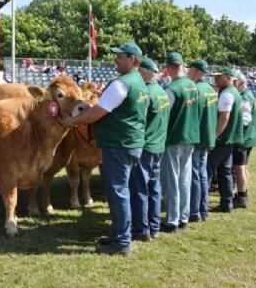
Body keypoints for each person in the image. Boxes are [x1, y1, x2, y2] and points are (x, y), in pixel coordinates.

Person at [63, 42, 148, 255]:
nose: (115, 59)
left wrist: (73, 122)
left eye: (120, 56)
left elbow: (98, 112)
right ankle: (121, 234)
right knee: (123, 191)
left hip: (118, 145)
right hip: (131, 143)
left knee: (118, 192)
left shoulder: (121, 84)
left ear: (133, 60)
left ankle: (121, 242)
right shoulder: (139, 82)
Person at [129, 58, 170, 241]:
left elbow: (140, 120)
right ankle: (153, 226)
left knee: (139, 188)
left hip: (146, 146)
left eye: (138, 71)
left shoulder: (146, 93)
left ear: (144, 72)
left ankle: (141, 228)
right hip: (158, 145)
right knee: (154, 187)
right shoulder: (162, 92)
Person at [160, 52, 199, 233]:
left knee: (172, 180)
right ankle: (183, 216)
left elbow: (163, 117)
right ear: (182, 66)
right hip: (190, 137)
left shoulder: (171, 89)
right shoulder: (193, 86)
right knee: (185, 178)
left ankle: (172, 220)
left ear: (168, 68)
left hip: (174, 138)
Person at [208, 67, 243, 213]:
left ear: (229, 78)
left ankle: (200, 203)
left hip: (223, 140)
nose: (216, 79)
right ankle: (226, 203)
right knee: (225, 171)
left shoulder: (227, 94)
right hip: (230, 139)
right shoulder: (235, 92)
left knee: (208, 169)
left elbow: (224, 117)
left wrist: (213, 137)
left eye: (219, 77)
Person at [187, 60, 217, 222]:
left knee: (195, 175)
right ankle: (203, 209)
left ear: (196, 71)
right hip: (207, 137)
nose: (188, 72)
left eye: (190, 69)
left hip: (197, 138)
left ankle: (195, 211)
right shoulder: (211, 89)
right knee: (202, 173)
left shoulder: (196, 90)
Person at [231, 70, 256, 208]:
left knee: (239, 167)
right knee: (244, 167)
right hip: (249, 137)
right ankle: (243, 192)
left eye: (235, 82)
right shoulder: (249, 95)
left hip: (243, 138)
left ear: (241, 82)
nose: (233, 84)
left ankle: (241, 197)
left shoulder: (245, 97)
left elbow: (245, 120)